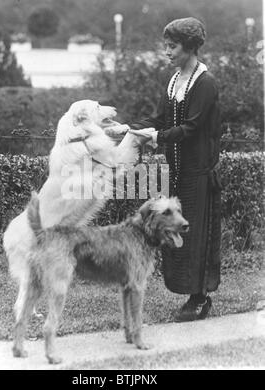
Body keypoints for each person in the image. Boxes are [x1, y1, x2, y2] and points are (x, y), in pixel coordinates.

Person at [130, 17, 222, 322]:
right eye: (165, 45)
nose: (167, 51)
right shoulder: (173, 80)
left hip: (197, 173)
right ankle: (189, 294)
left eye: (172, 46)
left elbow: (192, 128)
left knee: (194, 233)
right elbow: (159, 119)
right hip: (176, 171)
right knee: (175, 232)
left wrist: (156, 137)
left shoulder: (204, 82)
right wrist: (129, 130)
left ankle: (200, 298)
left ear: (190, 46)